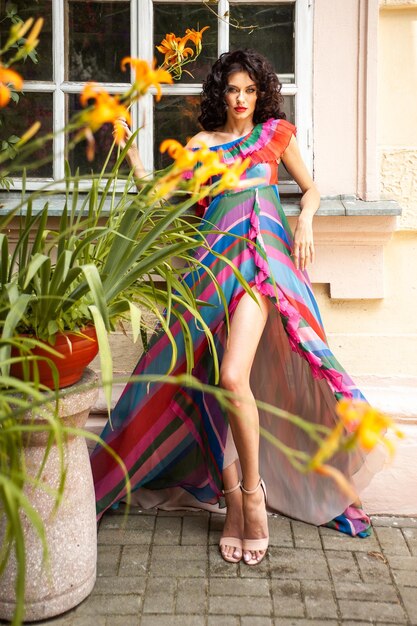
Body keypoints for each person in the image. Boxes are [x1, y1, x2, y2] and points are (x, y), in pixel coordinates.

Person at [91, 49, 379, 567]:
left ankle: (253, 498)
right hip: (207, 272)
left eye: (249, 90)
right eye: (232, 90)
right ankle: (232, 504)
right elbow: (154, 197)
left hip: (260, 267)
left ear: (260, 92)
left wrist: (305, 220)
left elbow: (311, 190)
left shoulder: (275, 136)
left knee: (230, 377)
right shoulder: (201, 146)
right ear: (220, 95)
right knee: (199, 380)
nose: (242, 100)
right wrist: (131, 149)